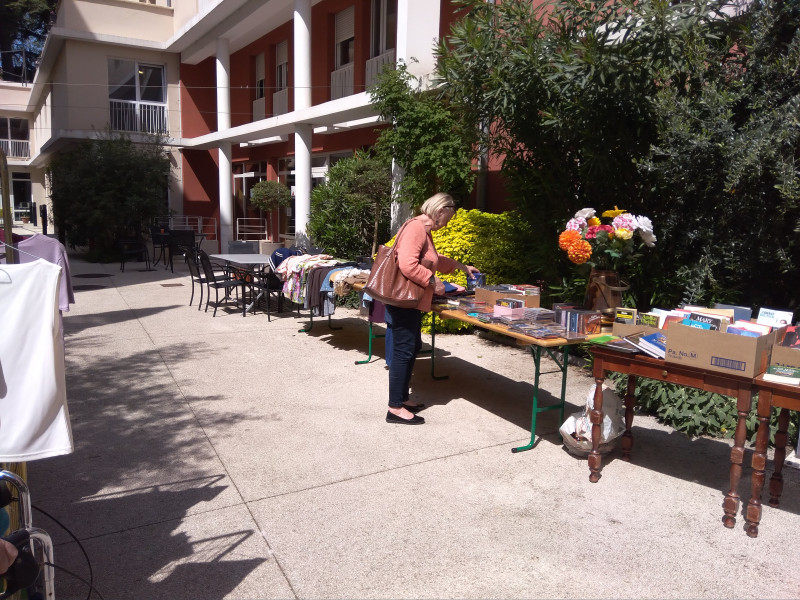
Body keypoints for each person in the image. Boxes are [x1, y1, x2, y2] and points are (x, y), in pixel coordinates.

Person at [385, 193, 480, 425]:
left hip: (410, 301)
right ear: (440, 211)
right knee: (403, 351)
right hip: (404, 301)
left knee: (409, 348)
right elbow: (408, 264)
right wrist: (432, 282)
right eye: (448, 218)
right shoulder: (417, 228)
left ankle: (402, 400)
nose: (447, 223)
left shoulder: (423, 230)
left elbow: (433, 258)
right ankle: (395, 408)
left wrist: (459, 266)